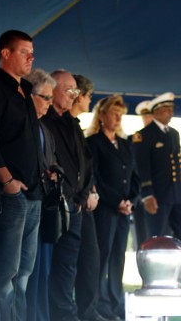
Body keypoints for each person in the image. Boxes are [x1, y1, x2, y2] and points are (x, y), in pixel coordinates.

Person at [0, 30, 46, 321]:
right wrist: (7, 182)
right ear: (5, 53)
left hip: (33, 193)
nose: (30, 57)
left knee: (24, 272)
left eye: (32, 52)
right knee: (5, 271)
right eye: (24, 52)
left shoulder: (26, 92)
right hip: (10, 194)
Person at [41, 70, 93, 321]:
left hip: (75, 206)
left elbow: (86, 163)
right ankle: (54, 313)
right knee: (47, 265)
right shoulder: (45, 120)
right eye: (69, 90)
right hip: (53, 205)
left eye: (76, 91)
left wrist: (82, 197)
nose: (74, 95)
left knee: (68, 265)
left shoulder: (72, 122)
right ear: (54, 90)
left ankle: (64, 314)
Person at [86, 95, 140, 321]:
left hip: (124, 210)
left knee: (119, 256)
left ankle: (117, 302)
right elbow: (95, 177)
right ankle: (99, 303)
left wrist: (131, 201)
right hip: (106, 210)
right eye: (114, 113)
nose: (118, 118)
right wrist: (116, 201)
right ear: (102, 116)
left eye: (121, 114)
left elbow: (135, 176)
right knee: (103, 255)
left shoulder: (125, 143)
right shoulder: (93, 142)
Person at [68, 74, 107, 321]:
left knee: (91, 260)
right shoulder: (64, 124)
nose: (90, 100)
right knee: (71, 263)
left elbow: (87, 167)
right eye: (89, 96)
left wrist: (91, 191)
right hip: (73, 203)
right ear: (79, 96)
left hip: (85, 200)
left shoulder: (75, 126)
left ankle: (88, 310)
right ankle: (76, 311)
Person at [132, 92, 181, 247]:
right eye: (167, 108)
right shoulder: (143, 135)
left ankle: (178, 263)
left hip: (178, 193)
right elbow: (141, 166)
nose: (171, 112)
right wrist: (147, 194)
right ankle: (156, 268)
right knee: (156, 235)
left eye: (172, 108)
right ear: (156, 111)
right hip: (158, 194)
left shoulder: (173, 133)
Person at [23, 69, 58, 321]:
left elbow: (51, 160)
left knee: (39, 270)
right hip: (22, 202)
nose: (49, 103)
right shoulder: (24, 125)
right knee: (23, 269)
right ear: (31, 94)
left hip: (43, 205)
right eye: (45, 97)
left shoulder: (45, 129)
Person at [130, 100, 153, 249]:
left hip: (160, 195)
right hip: (140, 194)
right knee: (142, 235)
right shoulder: (136, 138)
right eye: (145, 116)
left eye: (150, 115)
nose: (148, 119)